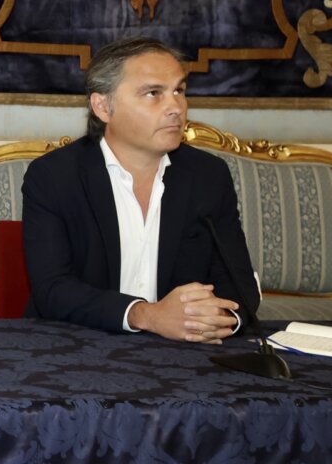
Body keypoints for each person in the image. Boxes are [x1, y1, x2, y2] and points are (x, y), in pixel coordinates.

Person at [22, 37, 259, 342]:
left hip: (182, 350)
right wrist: (145, 315)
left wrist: (217, 319)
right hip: (76, 344)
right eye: (153, 93)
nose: (176, 107)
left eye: (179, 90)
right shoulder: (55, 176)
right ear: (103, 107)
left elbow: (239, 285)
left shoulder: (208, 176)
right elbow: (53, 289)